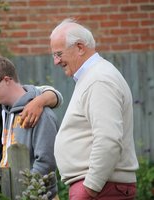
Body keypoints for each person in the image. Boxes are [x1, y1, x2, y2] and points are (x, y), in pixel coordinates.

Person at [50, 18, 139, 200]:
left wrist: (90, 188)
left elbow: (108, 138)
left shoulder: (99, 80)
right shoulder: (94, 77)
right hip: (101, 187)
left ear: (80, 47)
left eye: (59, 54)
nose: (55, 61)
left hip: (102, 189)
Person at [0, 56, 60, 199]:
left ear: (6, 80)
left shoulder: (41, 114)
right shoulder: (7, 112)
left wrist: (26, 192)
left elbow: (46, 162)